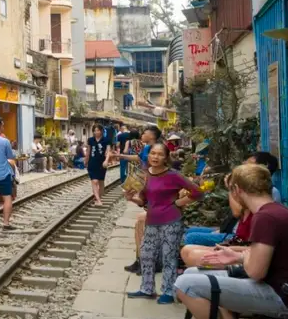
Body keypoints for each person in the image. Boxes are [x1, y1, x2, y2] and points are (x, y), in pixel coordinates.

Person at [174, 163, 288, 319]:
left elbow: (255, 272)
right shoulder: (279, 211)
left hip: (287, 298)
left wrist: (241, 259)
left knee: (185, 284)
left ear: (236, 190)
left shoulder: (265, 217)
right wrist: (238, 256)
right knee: (192, 273)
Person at [125, 143, 202, 304]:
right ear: (148, 155)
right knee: (146, 253)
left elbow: (197, 192)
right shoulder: (144, 175)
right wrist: (131, 198)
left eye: (160, 154)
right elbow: (143, 200)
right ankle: (147, 289)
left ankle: (168, 291)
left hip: (171, 221)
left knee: (169, 256)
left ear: (166, 157)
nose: (155, 157)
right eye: (153, 153)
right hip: (152, 220)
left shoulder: (174, 175)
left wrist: (179, 203)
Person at [117, 125, 162, 274]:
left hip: (153, 191)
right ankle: (140, 260)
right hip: (147, 189)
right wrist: (121, 156)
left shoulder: (156, 150)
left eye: (145, 132)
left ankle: (149, 261)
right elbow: (138, 159)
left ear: (152, 135)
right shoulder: (146, 148)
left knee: (146, 228)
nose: (142, 134)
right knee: (140, 227)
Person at [86, 124, 110, 206]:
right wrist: (86, 161)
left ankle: (98, 198)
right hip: (92, 163)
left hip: (102, 164)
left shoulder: (106, 140)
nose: (96, 132)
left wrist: (106, 160)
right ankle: (98, 200)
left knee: (101, 183)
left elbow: (108, 151)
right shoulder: (90, 140)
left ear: (101, 131)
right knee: (94, 181)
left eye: (98, 130)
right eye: (94, 130)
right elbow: (88, 151)